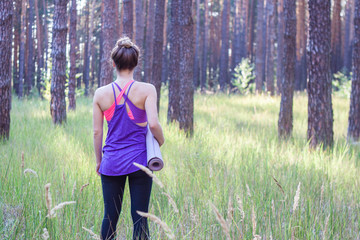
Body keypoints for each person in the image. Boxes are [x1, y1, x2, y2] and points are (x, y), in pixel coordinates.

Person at [92, 36, 165, 240]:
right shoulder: (147, 89)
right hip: (140, 163)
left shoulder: (100, 94)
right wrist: (161, 140)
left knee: (110, 216)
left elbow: (97, 132)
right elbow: (153, 124)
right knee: (140, 217)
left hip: (111, 162)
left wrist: (99, 161)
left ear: (113, 63)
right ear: (135, 63)